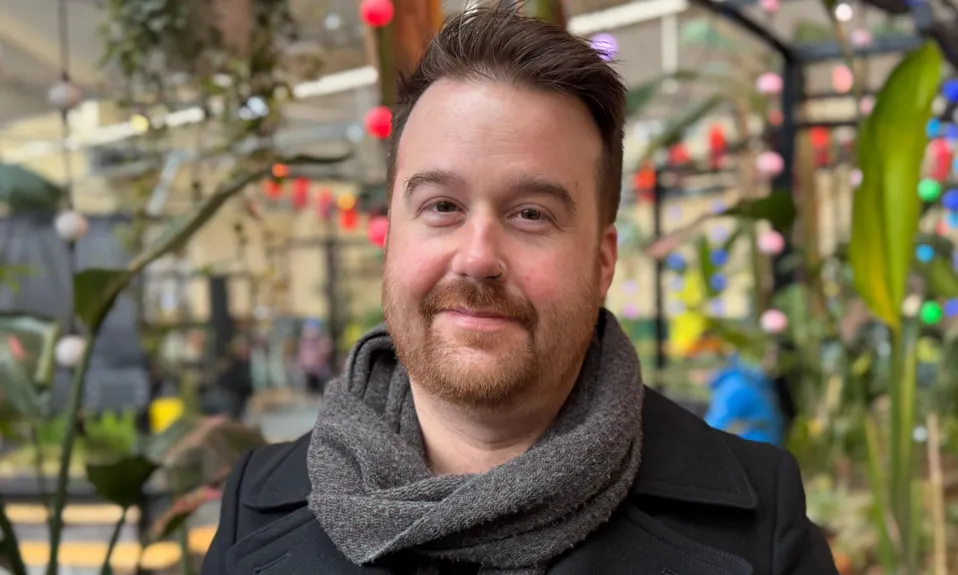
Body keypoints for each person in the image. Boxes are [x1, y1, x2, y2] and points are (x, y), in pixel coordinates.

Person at [201, 8, 838, 575]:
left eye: (531, 214)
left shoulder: (760, 529)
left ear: (602, 261)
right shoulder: (253, 512)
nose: (478, 258)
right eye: (442, 206)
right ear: (390, 237)